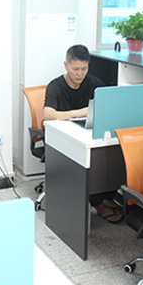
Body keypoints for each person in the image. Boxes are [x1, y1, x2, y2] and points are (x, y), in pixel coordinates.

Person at [43, 44, 122, 222]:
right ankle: (98, 203)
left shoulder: (94, 83)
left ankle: (106, 196)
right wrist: (79, 113)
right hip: (62, 139)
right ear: (66, 65)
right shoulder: (55, 86)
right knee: (92, 162)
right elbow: (47, 115)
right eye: (75, 69)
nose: (80, 74)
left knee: (109, 155)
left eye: (84, 69)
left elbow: (109, 103)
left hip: (86, 133)